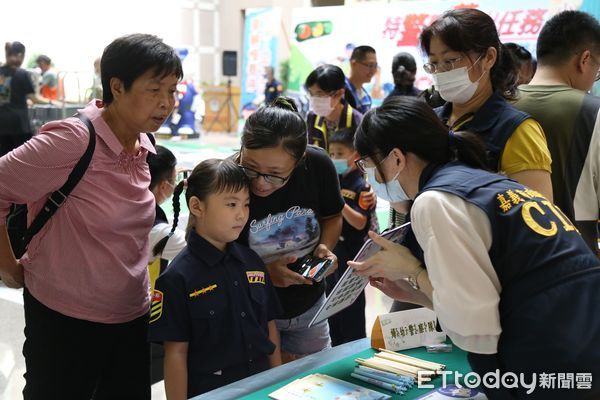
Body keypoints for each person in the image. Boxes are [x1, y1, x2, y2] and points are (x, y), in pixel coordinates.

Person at [350, 96, 600, 400]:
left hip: (549, 354)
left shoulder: (434, 201)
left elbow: (475, 327)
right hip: (580, 337)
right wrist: (416, 293)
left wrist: (411, 270)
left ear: (397, 159)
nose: (369, 177)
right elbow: (489, 297)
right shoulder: (485, 183)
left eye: (368, 165)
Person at [0, 33, 182, 399]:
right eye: (155, 90)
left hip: (131, 317)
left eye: (173, 91)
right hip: (64, 322)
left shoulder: (145, 145)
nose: (167, 103)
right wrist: (6, 264)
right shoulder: (72, 139)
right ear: (117, 86)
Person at [148, 158, 282, 398]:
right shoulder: (177, 278)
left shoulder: (253, 262)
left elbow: (269, 328)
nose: (241, 215)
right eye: (231, 204)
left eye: (246, 204)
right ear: (197, 207)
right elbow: (176, 354)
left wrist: (279, 387)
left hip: (262, 385)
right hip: (213, 391)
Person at [236, 97, 344, 362]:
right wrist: (263, 274)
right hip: (249, 308)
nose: (260, 184)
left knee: (314, 378)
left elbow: (333, 216)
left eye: (275, 174)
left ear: (299, 161)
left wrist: (325, 248)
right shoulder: (227, 178)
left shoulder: (318, 166)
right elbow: (211, 256)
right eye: (250, 168)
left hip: (309, 307)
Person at [420, 8, 553, 200]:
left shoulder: (517, 130)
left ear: (489, 58)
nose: (440, 72)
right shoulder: (430, 121)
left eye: (450, 61)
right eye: (433, 63)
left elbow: (538, 216)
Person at [514, 10, 600, 254]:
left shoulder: (498, 107)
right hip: (577, 264)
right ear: (584, 60)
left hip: (509, 264)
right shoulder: (594, 111)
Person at [326, 128, 371, 346]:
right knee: (331, 305)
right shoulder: (333, 180)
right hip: (334, 250)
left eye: (339, 154)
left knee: (351, 306)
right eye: (331, 154)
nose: (334, 159)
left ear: (354, 156)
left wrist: (338, 201)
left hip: (354, 255)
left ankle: (354, 348)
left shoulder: (361, 187)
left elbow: (360, 222)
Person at [148, 145, 187, 289]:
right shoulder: (157, 231)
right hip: (141, 305)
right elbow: (199, 247)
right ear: (164, 186)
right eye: (174, 178)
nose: (176, 183)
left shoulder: (129, 206)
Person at [0, 42, 48, 157]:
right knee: (23, 159)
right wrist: (52, 102)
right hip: (18, 124)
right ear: (20, 55)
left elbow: (4, 96)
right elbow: (34, 98)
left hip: (2, 123)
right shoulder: (22, 73)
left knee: (3, 160)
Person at [305, 64, 362, 150]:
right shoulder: (311, 118)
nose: (314, 99)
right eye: (311, 93)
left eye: (319, 94)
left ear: (339, 94)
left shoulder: (357, 121)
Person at [344, 45, 377, 114]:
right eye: (370, 65)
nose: (374, 70)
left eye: (375, 66)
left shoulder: (365, 95)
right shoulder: (341, 91)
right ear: (354, 64)